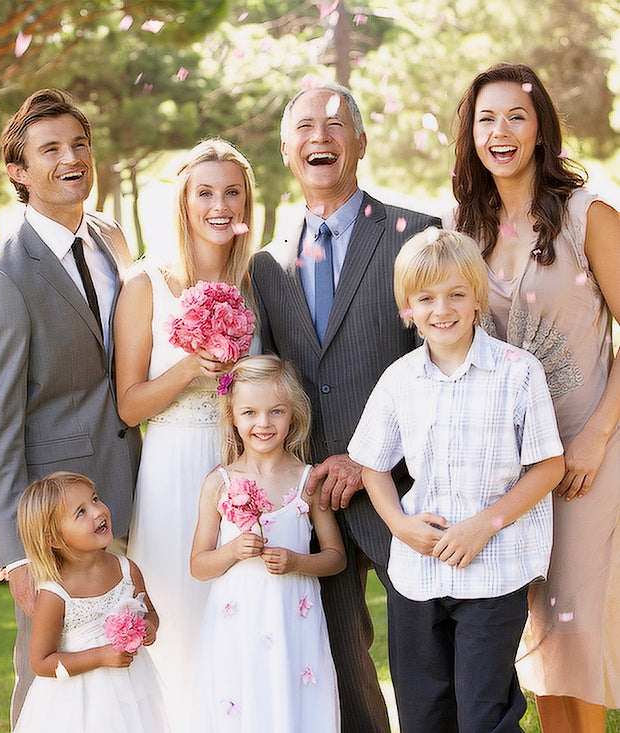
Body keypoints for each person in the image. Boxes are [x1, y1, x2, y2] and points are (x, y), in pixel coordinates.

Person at [248, 81, 441, 731]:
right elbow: (271, 382)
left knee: (432, 661)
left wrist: (371, 457)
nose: (319, 137)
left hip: (410, 487)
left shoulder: (417, 234)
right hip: (316, 502)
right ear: (285, 150)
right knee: (340, 671)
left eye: (335, 124)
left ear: (360, 141)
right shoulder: (265, 267)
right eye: (304, 127)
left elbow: (445, 367)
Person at [0, 88, 141, 726]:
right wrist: (15, 552)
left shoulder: (110, 241)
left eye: (79, 144)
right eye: (50, 150)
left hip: (130, 488)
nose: (71, 158)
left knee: (132, 664)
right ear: (18, 170)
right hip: (55, 522)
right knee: (46, 673)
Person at [452, 62, 620, 732]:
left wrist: (599, 433)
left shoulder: (587, 215)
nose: (501, 131)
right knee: (538, 635)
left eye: (516, 116)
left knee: (576, 630)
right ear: (470, 133)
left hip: (588, 459)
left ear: (541, 129)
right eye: (486, 118)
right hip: (510, 469)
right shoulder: (461, 225)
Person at [348, 227, 565, 732]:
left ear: (477, 299)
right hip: (417, 573)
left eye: (456, 295)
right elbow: (372, 464)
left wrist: (483, 525)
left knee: (483, 714)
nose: (441, 309)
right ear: (408, 307)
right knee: (423, 714)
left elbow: (548, 466)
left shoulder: (517, 372)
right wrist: (400, 526)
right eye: (425, 298)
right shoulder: (400, 379)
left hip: (494, 570)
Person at [114, 138, 256, 722]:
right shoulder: (146, 283)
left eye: (232, 192)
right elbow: (128, 406)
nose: (218, 205)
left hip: (241, 468)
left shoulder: (259, 280)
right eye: (205, 192)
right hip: (173, 464)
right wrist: (191, 365)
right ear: (184, 202)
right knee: (179, 610)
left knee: (242, 613)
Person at [190, 355, 345, 731]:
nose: (263, 423)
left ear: (293, 414)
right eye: (250, 413)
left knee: (292, 703)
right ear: (233, 417)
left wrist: (297, 562)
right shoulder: (219, 483)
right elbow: (198, 565)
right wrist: (232, 551)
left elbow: (335, 557)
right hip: (238, 622)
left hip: (293, 619)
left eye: (276, 411)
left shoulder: (308, 480)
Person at [12, 471, 169, 732]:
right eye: (81, 512)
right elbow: (41, 662)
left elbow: (149, 612)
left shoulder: (126, 569)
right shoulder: (54, 593)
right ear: (53, 539)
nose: (97, 512)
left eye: (95, 500)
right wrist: (101, 656)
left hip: (131, 687)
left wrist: (149, 627)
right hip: (77, 701)